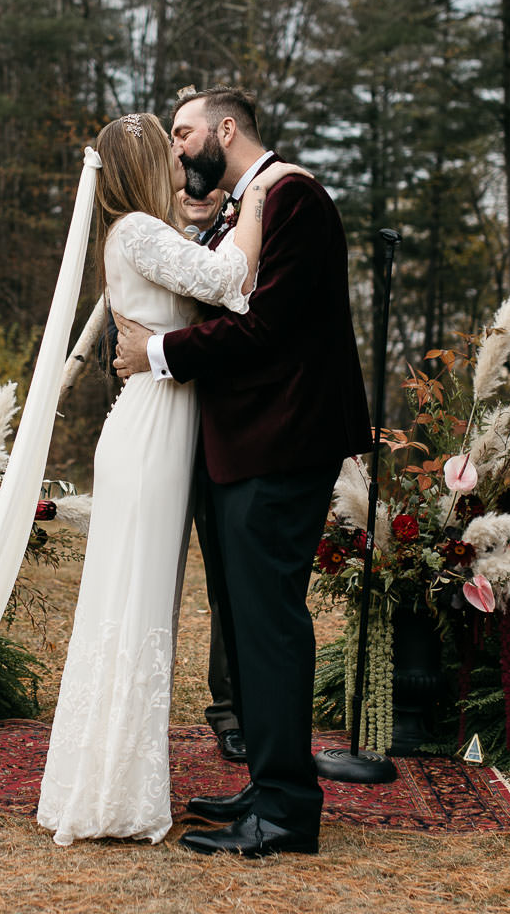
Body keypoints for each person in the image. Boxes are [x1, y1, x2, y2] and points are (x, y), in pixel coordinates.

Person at [114, 85, 371, 859]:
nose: (177, 150)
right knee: (245, 622)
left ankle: (290, 813)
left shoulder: (294, 197)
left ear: (227, 130)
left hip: (283, 439)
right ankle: (266, 782)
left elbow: (265, 328)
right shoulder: (242, 208)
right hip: (239, 443)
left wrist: (153, 355)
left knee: (270, 625)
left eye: (185, 133)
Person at [36, 115, 299, 845]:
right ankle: (113, 792)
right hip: (151, 433)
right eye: (167, 148)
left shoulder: (141, 232)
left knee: (134, 603)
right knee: (135, 606)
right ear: (145, 163)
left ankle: (109, 778)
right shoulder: (137, 233)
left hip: (158, 422)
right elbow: (227, 281)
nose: (181, 159)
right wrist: (254, 202)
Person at [179, 186, 246, 763]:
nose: (194, 196)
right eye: (183, 189)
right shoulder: (155, 248)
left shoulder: (236, 246)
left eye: (205, 190)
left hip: (226, 435)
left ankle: (233, 711)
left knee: (230, 579)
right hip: (164, 434)